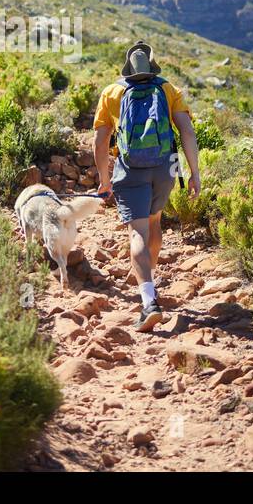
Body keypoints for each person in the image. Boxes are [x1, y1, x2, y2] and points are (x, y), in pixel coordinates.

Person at [92, 41, 200, 332]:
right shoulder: (167, 89)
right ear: (153, 66)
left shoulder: (112, 92)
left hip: (130, 170)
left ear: (126, 67)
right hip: (165, 168)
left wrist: (104, 180)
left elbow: (101, 142)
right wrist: (194, 173)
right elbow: (187, 132)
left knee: (136, 231)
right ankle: (148, 280)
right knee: (155, 223)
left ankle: (148, 300)